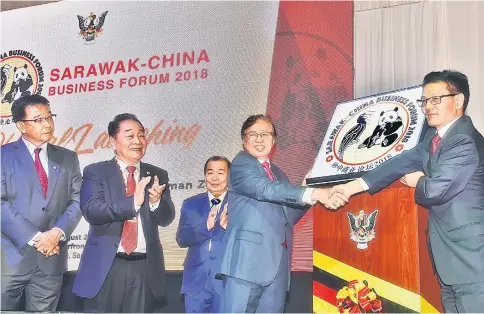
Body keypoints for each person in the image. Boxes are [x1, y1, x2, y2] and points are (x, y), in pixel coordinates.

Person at [331, 70, 484, 313]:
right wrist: (351, 187)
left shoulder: (463, 140)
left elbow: (436, 189)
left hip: (470, 260)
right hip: (450, 260)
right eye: (424, 101)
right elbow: (399, 162)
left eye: (436, 99)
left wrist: (418, 180)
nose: (427, 107)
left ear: (459, 101)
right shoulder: (434, 138)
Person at [218, 114, 347, 312]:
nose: (259, 139)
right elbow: (265, 189)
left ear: (274, 140)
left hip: (278, 268)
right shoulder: (241, 164)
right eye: (252, 134)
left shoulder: (279, 174)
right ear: (244, 141)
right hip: (246, 265)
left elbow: (288, 218)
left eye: (265, 134)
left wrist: (307, 189)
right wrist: (315, 193)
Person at [72, 113, 176, 313]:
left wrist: (156, 202)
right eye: (130, 135)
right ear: (113, 140)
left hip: (144, 268)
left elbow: (167, 218)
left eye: (142, 135)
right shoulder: (96, 171)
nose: (138, 141)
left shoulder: (157, 174)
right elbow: (92, 211)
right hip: (106, 267)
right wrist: (133, 202)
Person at [1, 95, 82, 311]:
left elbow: (78, 200)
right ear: (21, 125)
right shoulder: (3, 156)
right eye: (38, 119)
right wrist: (36, 238)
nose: (47, 124)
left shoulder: (68, 158)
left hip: (51, 260)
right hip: (8, 260)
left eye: (49, 117)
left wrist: (56, 233)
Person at [176, 156, 230, 312]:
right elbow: (181, 239)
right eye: (210, 172)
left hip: (227, 280)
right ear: (205, 176)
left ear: (229, 176)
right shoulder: (190, 204)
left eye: (220, 172)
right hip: (196, 281)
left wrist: (230, 228)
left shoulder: (239, 203)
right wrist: (205, 227)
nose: (214, 177)